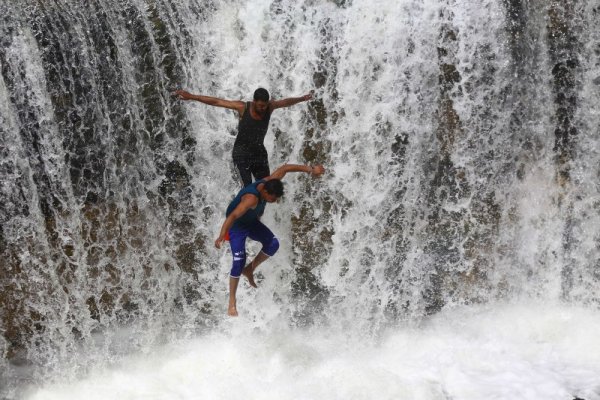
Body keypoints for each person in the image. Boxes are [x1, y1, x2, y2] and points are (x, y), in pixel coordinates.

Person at [214, 163, 325, 317]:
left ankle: (250, 269)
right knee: (239, 261)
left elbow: (285, 168)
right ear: (265, 192)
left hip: (251, 222)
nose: (273, 201)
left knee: (273, 244)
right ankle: (232, 302)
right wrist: (221, 235)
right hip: (236, 226)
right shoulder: (251, 199)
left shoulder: (270, 182)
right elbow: (232, 216)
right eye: (271, 199)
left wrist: (311, 170)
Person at [174, 87, 313, 186]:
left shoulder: (270, 107)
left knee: (267, 188)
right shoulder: (242, 107)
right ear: (254, 101)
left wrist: (302, 98)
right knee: (248, 190)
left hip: (259, 153)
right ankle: (241, 220)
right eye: (259, 106)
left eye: (264, 106)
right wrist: (191, 96)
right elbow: (217, 102)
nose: (262, 109)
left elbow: (285, 102)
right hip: (241, 154)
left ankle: (256, 219)